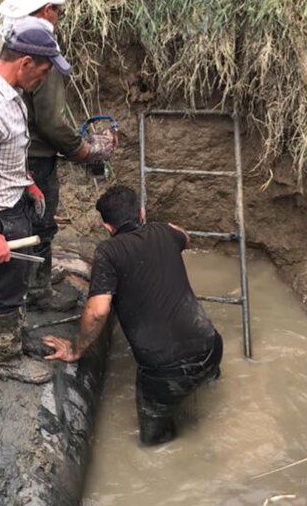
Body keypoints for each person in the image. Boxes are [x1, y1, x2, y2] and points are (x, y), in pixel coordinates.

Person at [0, 0, 117, 312]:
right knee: (38, 225)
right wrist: (85, 150)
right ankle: (35, 295)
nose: (59, 19)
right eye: (58, 12)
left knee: (13, 227)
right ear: (47, 10)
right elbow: (51, 121)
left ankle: (20, 290)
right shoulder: (39, 49)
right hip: (34, 155)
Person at [42, 186, 223, 445]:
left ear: (107, 226)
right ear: (141, 212)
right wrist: (168, 228)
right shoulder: (164, 232)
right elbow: (185, 237)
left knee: (155, 445)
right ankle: (209, 386)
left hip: (166, 375)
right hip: (211, 348)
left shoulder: (108, 253)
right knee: (209, 389)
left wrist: (76, 349)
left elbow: (98, 311)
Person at [0, 17, 72, 384]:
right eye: (43, 72)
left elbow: (4, 156)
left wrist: (28, 184)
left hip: (11, 203)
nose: (44, 79)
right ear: (24, 63)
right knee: (5, 291)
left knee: (17, 283)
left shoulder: (6, 90)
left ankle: (16, 342)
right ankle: (6, 360)